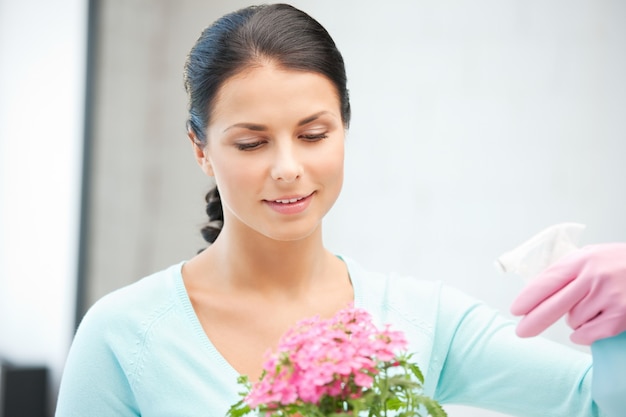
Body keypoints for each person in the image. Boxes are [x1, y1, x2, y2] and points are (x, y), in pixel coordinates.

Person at [55, 4, 626, 416]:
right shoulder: (123, 337)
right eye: (251, 143)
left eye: (313, 134)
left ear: (344, 129)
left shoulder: (422, 320)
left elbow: (594, 400)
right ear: (200, 150)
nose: (286, 167)